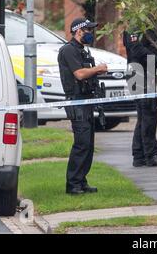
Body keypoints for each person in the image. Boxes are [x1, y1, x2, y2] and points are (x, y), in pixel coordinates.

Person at [58, 18, 108, 195]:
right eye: (88, 30)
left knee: (89, 144)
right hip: (77, 101)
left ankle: (81, 180)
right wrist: (98, 69)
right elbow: (79, 74)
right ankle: (73, 184)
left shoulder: (82, 51)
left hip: (87, 101)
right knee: (82, 143)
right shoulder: (68, 51)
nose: (90, 34)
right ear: (78, 31)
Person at [123, 29, 157, 167]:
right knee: (149, 116)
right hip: (140, 78)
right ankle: (150, 154)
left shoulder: (150, 26)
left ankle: (139, 155)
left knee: (144, 117)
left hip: (145, 77)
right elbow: (137, 50)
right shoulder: (136, 27)